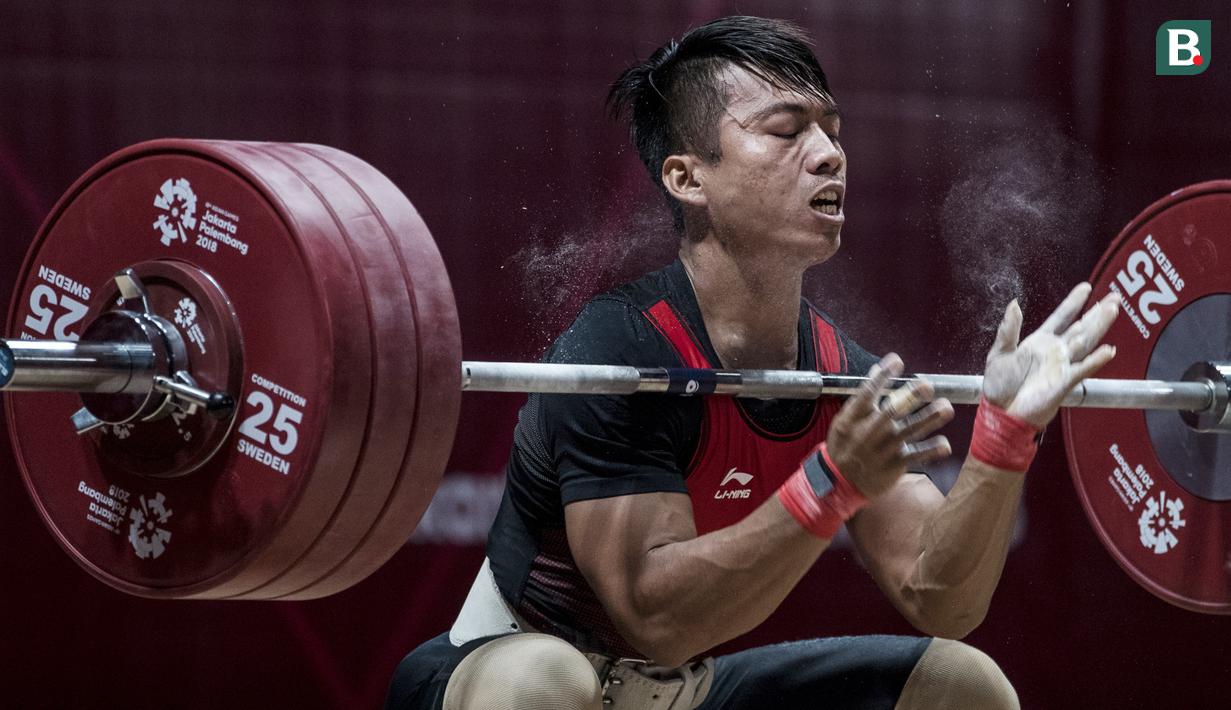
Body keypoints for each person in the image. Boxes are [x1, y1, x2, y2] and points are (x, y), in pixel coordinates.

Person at [387, 15, 1119, 710]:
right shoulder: (618, 351)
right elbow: (654, 619)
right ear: (687, 178)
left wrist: (1002, 441)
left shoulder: (839, 375)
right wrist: (829, 485)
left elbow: (941, 599)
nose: (829, 153)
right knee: (542, 680)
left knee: (959, 684)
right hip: (498, 668)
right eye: (785, 130)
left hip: (684, 691)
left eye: (832, 133)